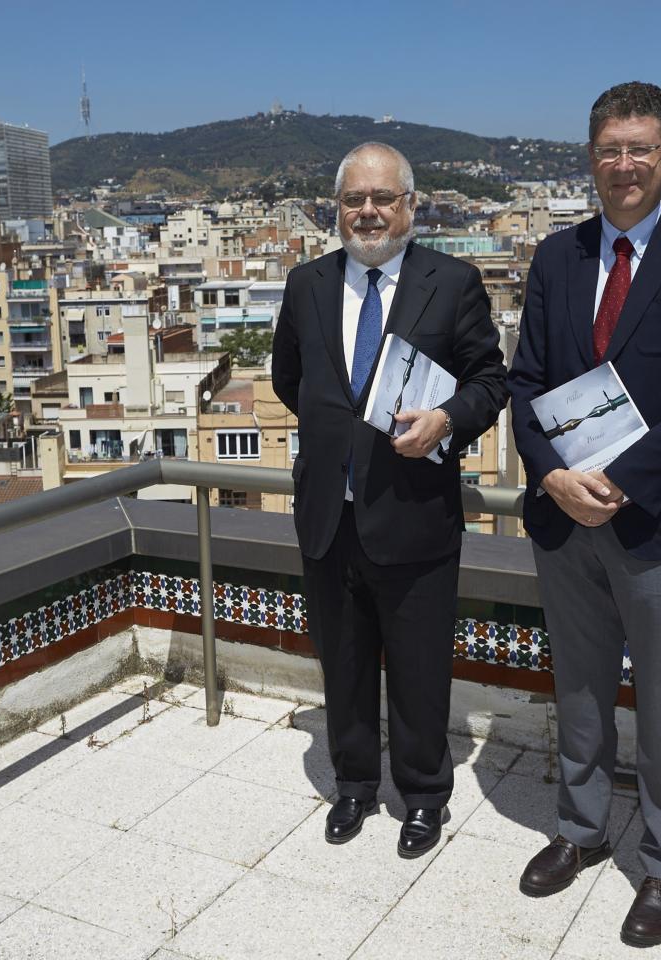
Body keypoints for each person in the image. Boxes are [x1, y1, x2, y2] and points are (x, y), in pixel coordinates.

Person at [505, 81, 661, 947]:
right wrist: (553, 476)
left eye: (640, 147)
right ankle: (579, 827)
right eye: (609, 148)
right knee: (578, 687)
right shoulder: (556, 255)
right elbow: (525, 382)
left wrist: (621, 481)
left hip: (660, 519)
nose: (624, 164)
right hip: (567, 516)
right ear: (591, 156)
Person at [270, 141, 507, 858]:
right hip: (328, 517)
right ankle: (352, 786)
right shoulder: (306, 284)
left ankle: (425, 795)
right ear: (335, 209)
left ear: (411, 205)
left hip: (414, 513)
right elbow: (292, 381)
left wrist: (447, 420)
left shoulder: (454, 281)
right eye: (353, 200)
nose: (367, 212)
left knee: (418, 667)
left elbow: (491, 383)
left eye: (382, 198)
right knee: (341, 663)